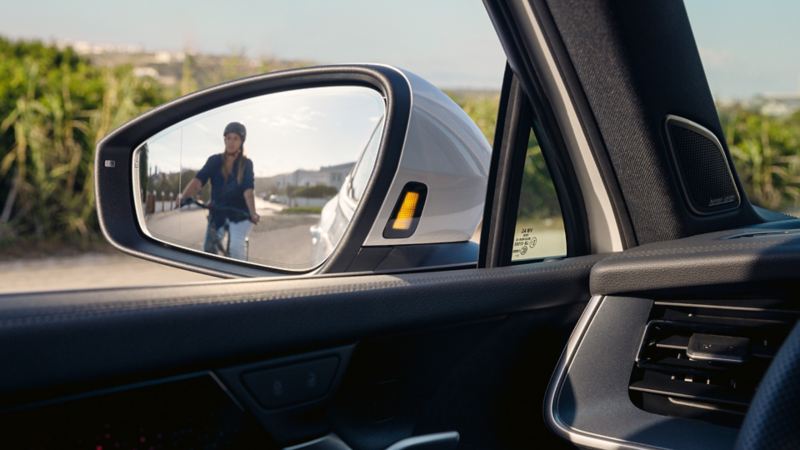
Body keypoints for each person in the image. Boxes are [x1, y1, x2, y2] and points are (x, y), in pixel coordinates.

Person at [178, 122, 260, 260]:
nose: (231, 142)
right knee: (209, 249)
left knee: (235, 248)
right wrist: (183, 197)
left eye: (235, 138)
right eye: (228, 138)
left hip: (240, 214)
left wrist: (252, 213)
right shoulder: (214, 160)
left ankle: (239, 278)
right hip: (218, 212)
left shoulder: (246, 164)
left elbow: (248, 190)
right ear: (224, 139)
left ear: (241, 141)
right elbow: (198, 181)